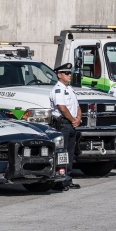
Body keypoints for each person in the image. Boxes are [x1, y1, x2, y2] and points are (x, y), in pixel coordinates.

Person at [50, 63, 81, 191]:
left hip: (71, 124)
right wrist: (73, 119)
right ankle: (59, 181)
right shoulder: (58, 89)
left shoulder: (70, 89)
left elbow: (77, 106)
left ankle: (67, 179)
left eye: (70, 73)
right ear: (59, 75)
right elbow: (62, 108)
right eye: (67, 73)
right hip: (63, 124)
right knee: (61, 154)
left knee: (70, 154)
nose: (70, 75)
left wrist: (78, 119)